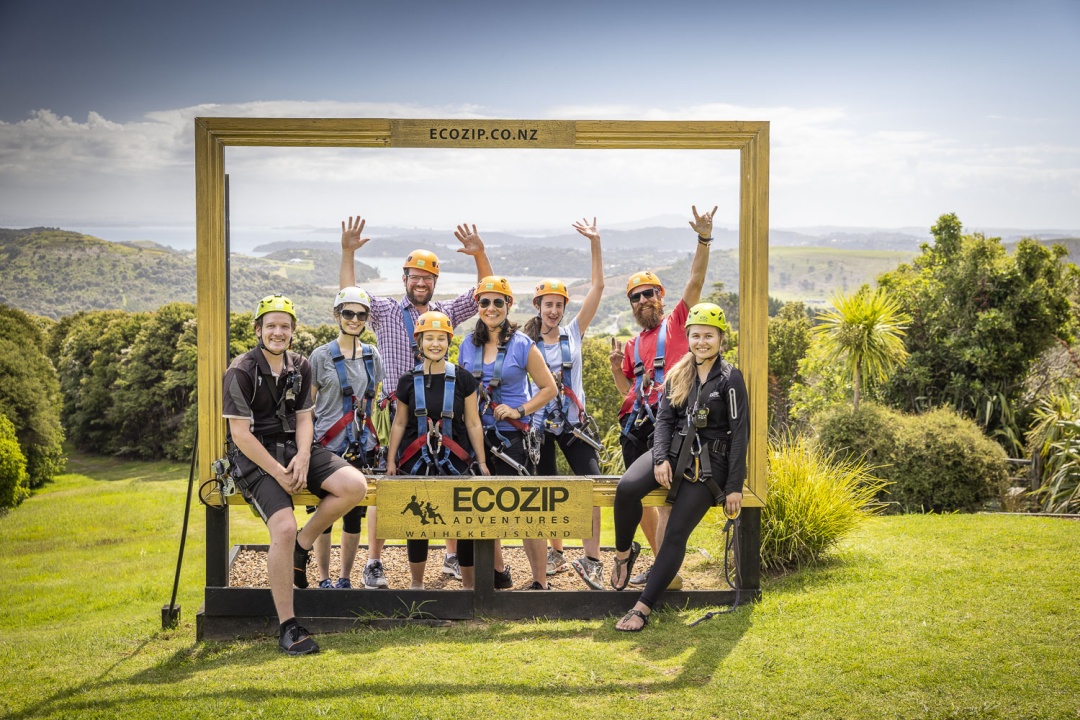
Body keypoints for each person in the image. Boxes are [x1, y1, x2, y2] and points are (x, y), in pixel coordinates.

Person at [339, 215, 494, 581]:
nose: (421, 282)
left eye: (427, 278)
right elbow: (350, 296)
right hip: (397, 412)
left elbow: (486, 294)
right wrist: (348, 252)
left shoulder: (446, 313)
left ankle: (452, 556)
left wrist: (479, 255)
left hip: (442, 413)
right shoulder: (388, 312)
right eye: (415, 277)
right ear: (404, 280)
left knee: (447, 477)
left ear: (434, 282)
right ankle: (374, 560)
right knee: (387, 485)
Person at [222, 294, 368, 655]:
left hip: (293, 448)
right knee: (284, 527)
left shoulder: (299, 366)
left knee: (355, 486)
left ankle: (304, 546)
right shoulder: (240, 371)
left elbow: (305, 417)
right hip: (253, 456)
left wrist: (303, 457)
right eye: (270, 325)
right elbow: (241, 434)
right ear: (258, 329)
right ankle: (288, 625)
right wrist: (279, 472)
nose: (277, 332)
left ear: (293, 331)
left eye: (284, 326)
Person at [610, 303, 747, 631]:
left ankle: (643, 607)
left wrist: (734, 487)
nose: (702, 342)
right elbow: (664, 421)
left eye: (709, 336)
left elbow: (739, 431)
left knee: (674, 534)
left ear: (720, 339)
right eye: (696, 335)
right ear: (688, 338)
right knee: (627, 489)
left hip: (708, 465)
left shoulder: (730, 379)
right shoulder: (678, 374)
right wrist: (659, 459)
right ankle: (623, 554)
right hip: (672, 451)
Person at [608, 205, 715, 589]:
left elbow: (696, 281)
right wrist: (616, 370)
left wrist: (703, 238)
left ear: (661, 295)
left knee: (666, 495)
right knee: (641, 499)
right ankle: (659, 565)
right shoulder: (634, 345)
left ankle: (666, 572)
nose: (643, 301)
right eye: (636, 297)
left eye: (649, 294)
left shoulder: (677, 323)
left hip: (669, 427)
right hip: (636, 429)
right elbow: (628, 393)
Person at [522, 217, 606, 589]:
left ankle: (592, 560)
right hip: (540, 428)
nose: (554, 311)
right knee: (545, 493)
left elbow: (599, 287)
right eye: (548, 305)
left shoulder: (574, 333)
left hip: (573, 426)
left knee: (591, 487)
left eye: (559, 305)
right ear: (538, 306)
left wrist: (595, 243)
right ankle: (554, 552)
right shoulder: (524, 342)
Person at [461, 276, 558, 590]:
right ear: (478, 306)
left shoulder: (522, 345)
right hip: (478, 436)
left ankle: (540, 582)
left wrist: (520, 410)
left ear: (508, 305)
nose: (491, 308)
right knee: (483, 507)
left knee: (527, 511)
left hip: (512, 437)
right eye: (485, 302)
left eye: (497, 302)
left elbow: (549, 388)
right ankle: (499, 571)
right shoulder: (467, 344)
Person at [385, 311, 490, 589]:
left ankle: (468, 588)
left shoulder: (464, 379)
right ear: (419, 342)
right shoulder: (408, 381)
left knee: (464, 523)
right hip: (415, 459)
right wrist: (391, 460)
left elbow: (472, 422)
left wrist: (482, 461)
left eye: (440, 338)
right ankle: (416, 584)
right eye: (429, 338)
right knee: (418, 522)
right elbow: (400, 422)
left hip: (457, 459)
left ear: (448, 342)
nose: (435, 344)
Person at [308, 286, 385, 589]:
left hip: (360, 446)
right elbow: (308, 405)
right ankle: (324, 578)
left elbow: (372, 395)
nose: (354, 319)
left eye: (360, 314)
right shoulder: (320, 357)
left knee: (354, 516)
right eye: (348, 313)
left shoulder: (371, 355)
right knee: (323, 513)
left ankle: (344, 579)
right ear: (337, 315)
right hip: (327, 447)